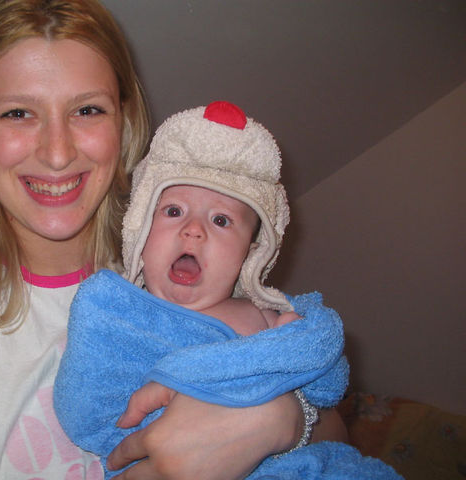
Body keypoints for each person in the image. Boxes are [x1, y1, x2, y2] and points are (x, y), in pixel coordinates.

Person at [0, 2, 338, 479]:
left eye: (87, 110)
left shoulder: (177, 268)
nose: (57, 153)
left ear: (123, 122)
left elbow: (336, 429)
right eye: (17, 113)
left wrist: (278, 419)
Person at [54, 102, 402, 479]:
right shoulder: (120, 316)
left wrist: (298, 349)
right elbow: (86, 412)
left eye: (221, 220)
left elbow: (327, 402)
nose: (194, 230)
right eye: (173, 211)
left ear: (249, 255)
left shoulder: (265, 316)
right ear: (140, 229)